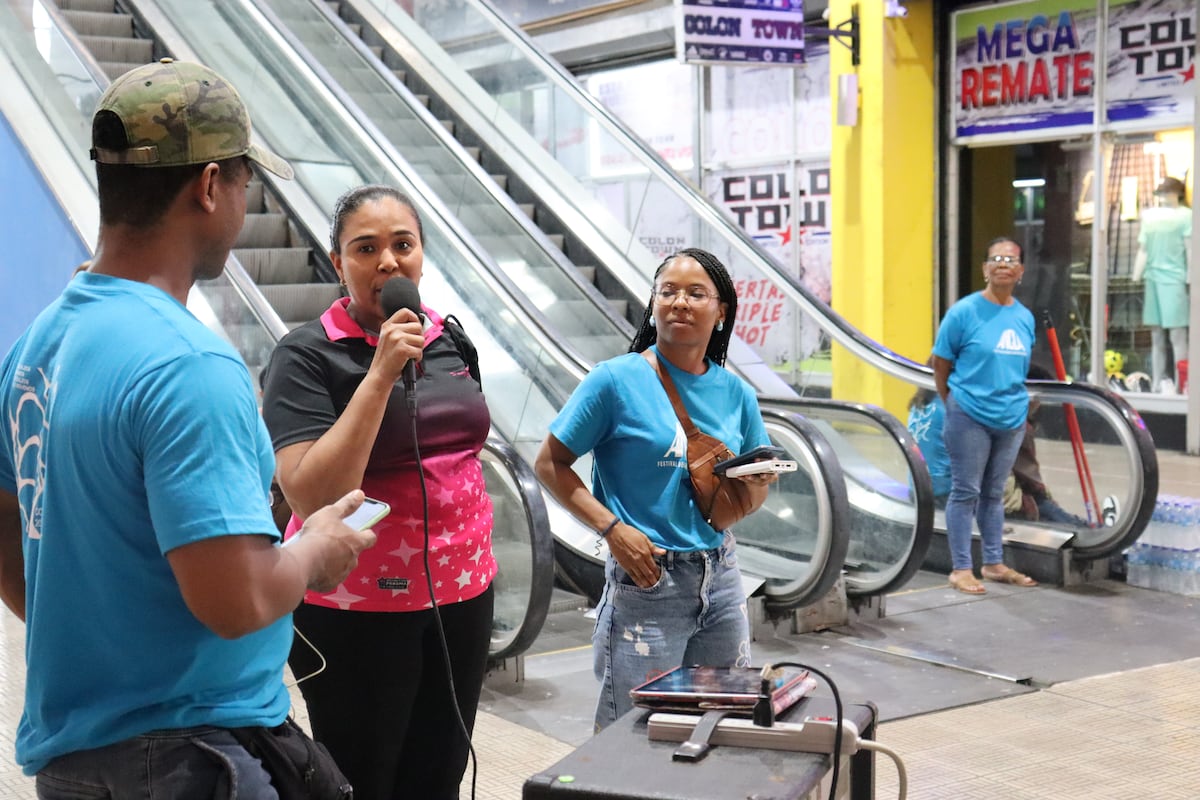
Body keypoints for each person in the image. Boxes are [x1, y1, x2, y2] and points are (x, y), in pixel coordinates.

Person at [0, 59, 376, 796]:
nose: (242, 202)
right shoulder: (190, 363)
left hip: (75, 757)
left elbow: (6, 528)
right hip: (191, 758)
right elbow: (234, 602)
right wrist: (314, 554)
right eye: (243, 183)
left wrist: (97, 629)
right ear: (209, 186)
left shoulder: (37, 345)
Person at [260, 184, 496, 799]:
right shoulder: (305, 355)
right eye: (366, 249)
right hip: (356, 609)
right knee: (363, 776)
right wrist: (381, 372)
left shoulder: (450, 339)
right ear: (339, 263)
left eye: (403, 245)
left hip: (463, 594)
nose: (389, 262)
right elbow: (311, 494)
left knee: (438, 769)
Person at [534, 247, 778, 730]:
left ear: (721, 312)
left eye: (696, 293)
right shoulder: (614, 381)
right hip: (647, 581)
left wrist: (754, 486)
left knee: (721, 718)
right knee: (633, 729)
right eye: (668, 291)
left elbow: (756, 485)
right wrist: (612, 530)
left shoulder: (736, 393)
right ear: (652, 304)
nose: (680, 302)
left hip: (722, 577)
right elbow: (550, 464)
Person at [932, 236, 1037, 595]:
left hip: (1010, 419)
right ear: (985, 268)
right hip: (969, 415)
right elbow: (941, 362)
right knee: (965, 492)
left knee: (994, 492)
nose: (1003, 264)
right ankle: (961, 568)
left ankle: (993, 563)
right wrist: (953, 403)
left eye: (1011, 259)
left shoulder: (1024, 317)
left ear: (1020, 271)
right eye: (996, 258)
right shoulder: (963, 312)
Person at [1132, 176, 1191, 394]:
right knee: (1156, 334)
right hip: (1152, 278)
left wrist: (1191, 276)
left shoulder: (1187, 216)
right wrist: (1136, 274)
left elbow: (1191, 248)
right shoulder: (1149, 216)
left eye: (1169, 191)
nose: (1165, 196)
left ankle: (1182, 383)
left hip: (1175, 278)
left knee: (1177, 334)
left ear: (1178, 193)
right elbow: (1143, 249)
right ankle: (1157, 382)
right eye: (1162, 192)